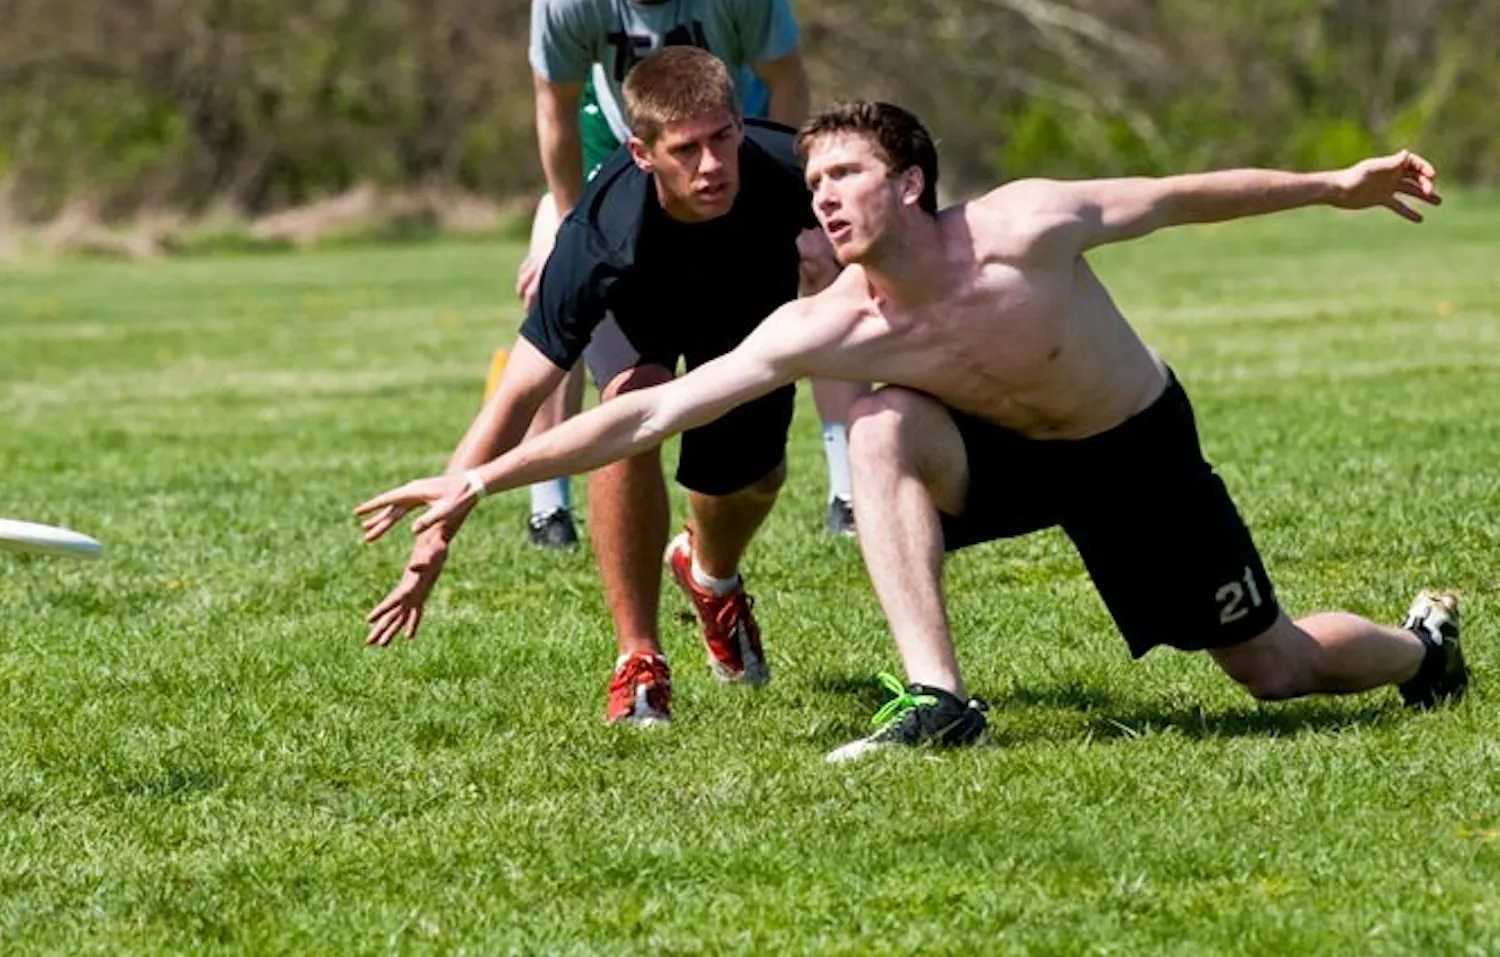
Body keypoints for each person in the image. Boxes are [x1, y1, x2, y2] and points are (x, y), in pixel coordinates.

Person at [358, 99, 1467, 760]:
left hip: (1132, 451)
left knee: (1271, 669)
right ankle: (940, 700)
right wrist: (481, 481)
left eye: (847, 177)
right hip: (996, 462)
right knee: (880, 425)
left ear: (914, 183)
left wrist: (1337, 184)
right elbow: (648, 408)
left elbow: (1186, 195)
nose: (823, 198)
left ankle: (1425, 650)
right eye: (819, 179)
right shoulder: (832, 319)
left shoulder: (1024, 225)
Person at [361, 46, 843, 726]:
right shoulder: (595, 239)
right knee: (629, 407)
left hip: (741, 311)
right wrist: (436, 532)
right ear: (642, 153)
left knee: (750, 479)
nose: (710, 165)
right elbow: (519, 393)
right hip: (636, 314)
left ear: (741, 124)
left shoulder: (795, 172)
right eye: (684, 150)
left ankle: (709, 575)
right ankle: (639, 655)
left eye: (722, 138)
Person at [517, 0, 858, 548]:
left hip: (730, 155)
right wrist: (565, 219)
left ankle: (847, 482)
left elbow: (788, 79)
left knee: (829, 282)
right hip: (615, 157)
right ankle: (548, 504)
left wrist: (800, 204)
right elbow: (554, 107)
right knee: (557, 292)